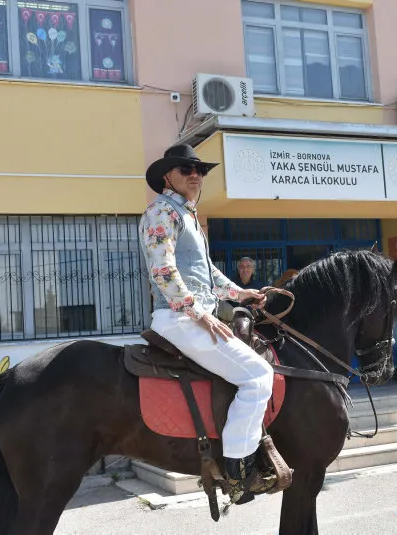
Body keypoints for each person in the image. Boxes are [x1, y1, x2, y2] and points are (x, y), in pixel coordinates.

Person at [139, 143, 274, 501]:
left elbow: (206, 273)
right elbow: (163, 270)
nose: (195, 175)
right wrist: (198, 313)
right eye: (186, 169)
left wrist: (241, 294)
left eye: (199, 170)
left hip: (193, 316)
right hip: (179, 319)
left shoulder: (189, 217)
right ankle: (237, 472)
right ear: (167, 177)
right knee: (259, 376)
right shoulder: (160, 211)